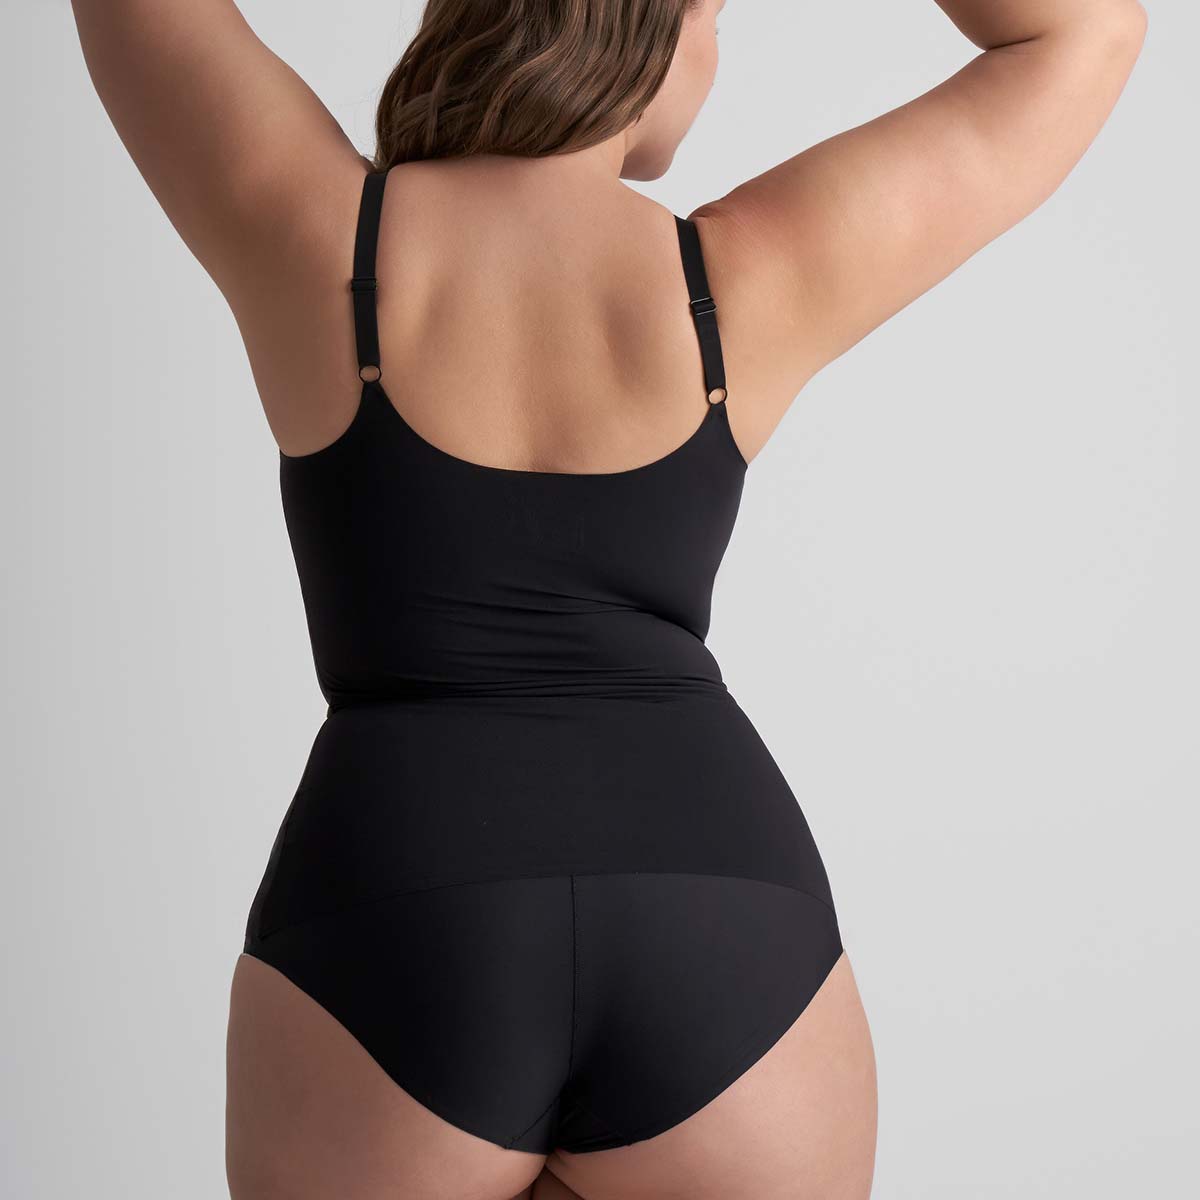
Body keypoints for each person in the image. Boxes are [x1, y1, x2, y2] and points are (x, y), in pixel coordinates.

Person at [70, 1, 1147, 1196]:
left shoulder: (318, 231)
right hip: (723, 916)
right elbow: (1082, 35)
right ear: (656, 20)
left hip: (394, 897)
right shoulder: (742, 276)